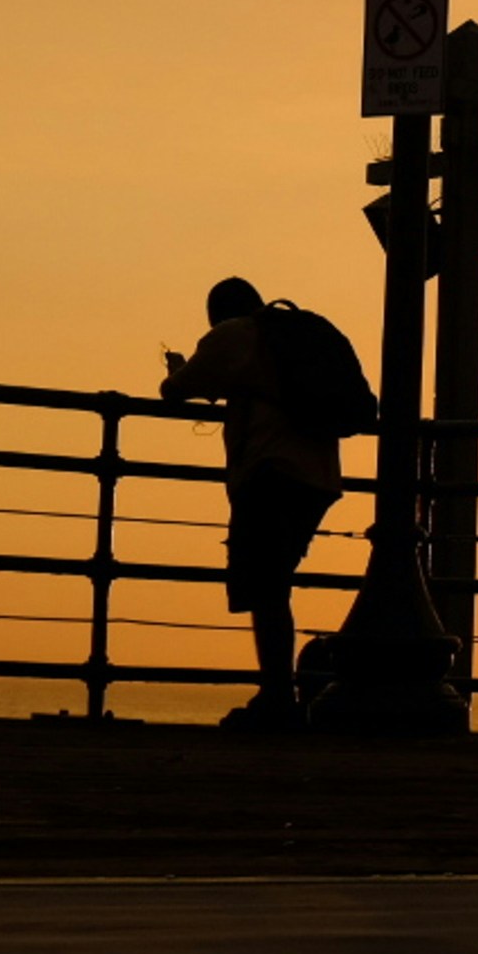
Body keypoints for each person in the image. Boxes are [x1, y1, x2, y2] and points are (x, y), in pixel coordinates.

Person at [161, 275, 348, 733]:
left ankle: (277, 698)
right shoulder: (282, 341)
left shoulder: (234, 335)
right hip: (317, 475)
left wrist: (178, 369)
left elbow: (177, 390)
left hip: (270, 471)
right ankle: (279, 694)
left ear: (219, 313)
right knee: (274, 582)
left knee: (266, 588)